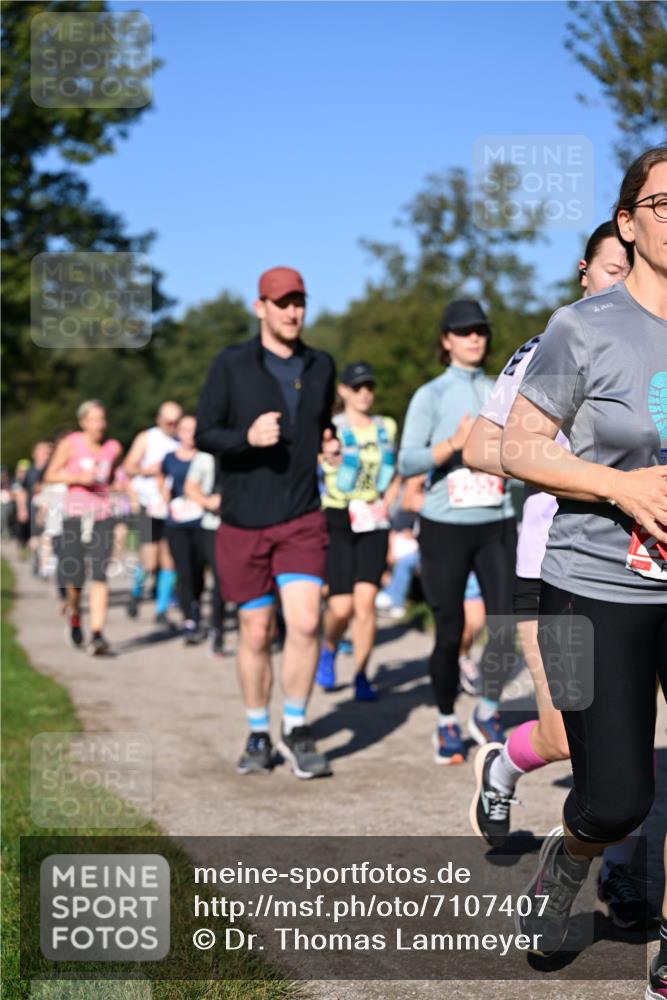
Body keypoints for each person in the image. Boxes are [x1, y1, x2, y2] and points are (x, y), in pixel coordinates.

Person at [464, 221, 658, 930]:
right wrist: (597, 478)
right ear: (588, 272)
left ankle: (619, 875)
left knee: (628, 754)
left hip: (648, 571)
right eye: (610, 270)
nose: (621, 285)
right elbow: (486, 448)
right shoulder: (556, 343)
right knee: (563, 740)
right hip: (562, 565)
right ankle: (509, 773)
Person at [195, 266, 338, 778]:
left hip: (301, 516)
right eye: (281, 302)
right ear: (260, 307)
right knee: (255, 632)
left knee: (303, 622)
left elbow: (323, 423)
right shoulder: (230, 365)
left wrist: (330, 442)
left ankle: (296, 726)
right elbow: (205, 433)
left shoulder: (321, 365)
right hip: (243, 520)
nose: (292, 311)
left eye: (299, 301)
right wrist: (245, 439)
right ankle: (258, 732)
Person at [399, 299, 517, 764]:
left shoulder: (502, 390)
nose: (475, 338)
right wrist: (453, 444)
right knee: (449, 632)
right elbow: (407, 460)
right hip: (445, 526)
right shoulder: (430, 395)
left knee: (509, 626)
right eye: (464, 331)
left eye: (481, 330)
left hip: (496, 520)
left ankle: (487, 710)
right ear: (445, 340)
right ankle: (446, 721)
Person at [315, 361, 399, 700]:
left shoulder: (386, 427)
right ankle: (329, 647)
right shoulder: (328, 428)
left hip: (373, 521)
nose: (365, 393)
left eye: (369, 387)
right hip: (337, 517)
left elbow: (395, 473)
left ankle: (363, 674)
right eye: (357, 386)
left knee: (365, 604)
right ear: (343, 390)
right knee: (341, 607)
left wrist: (387, 502)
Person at [44, 400, 123, 654]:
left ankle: (98, 633)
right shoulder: (71, 443)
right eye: (94, 419)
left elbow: (111, 476)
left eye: (102, 419)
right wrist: (78, 478)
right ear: (83, 422)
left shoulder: (113, 447)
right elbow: (50, 474)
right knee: (75, 579)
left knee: (100, 574)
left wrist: (112, 486)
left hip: (102, 516)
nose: (99, 425)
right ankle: (75, 615)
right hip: (75, 515)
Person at [123, 401, 182, 623]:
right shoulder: (147, 437)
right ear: (159, 420)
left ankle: (161, 610)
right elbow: (128, 466)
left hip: (172, 508)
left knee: (169, 560)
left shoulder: (181, 441)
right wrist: (148, 470)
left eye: (177, 421)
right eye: (169, 421)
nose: (173, 426)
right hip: (148, 505)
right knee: (150, 561)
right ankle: (136, 591)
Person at [160, 414, 206, 643]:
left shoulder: (206, 457)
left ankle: (196, 605)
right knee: (184, 570)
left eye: (194, 429)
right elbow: (161, 479)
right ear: (179, 432)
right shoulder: (169, 458)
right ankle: (190, 619)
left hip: (202, 521)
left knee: (199, 571)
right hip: (177, 522)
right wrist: (164, 496)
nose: (190, 433)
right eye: (186, 429)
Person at [184, 449, 225, 657]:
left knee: (223, 579)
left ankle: (218, 632)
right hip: (209, 525)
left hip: (241, 526)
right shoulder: (204, 457)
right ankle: (200, 618)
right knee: (202, 576)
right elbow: (190, 486)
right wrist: (208, 502)